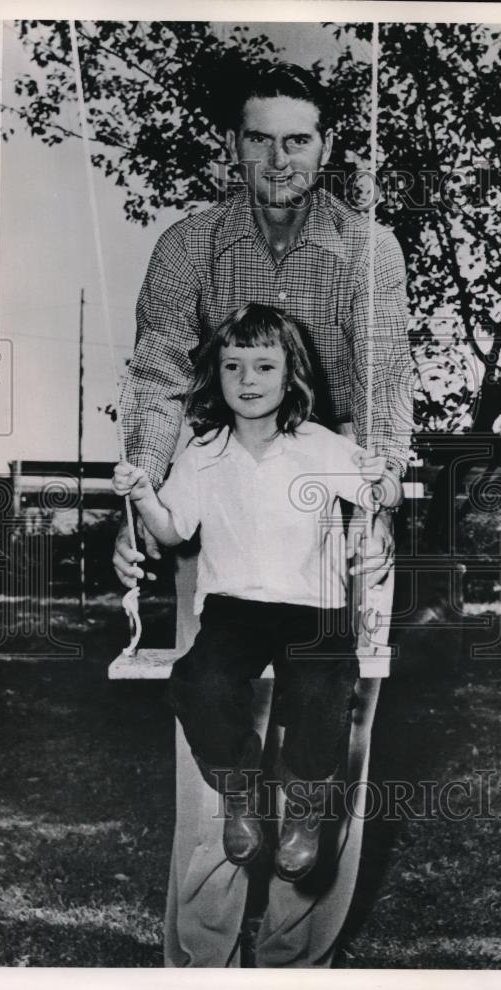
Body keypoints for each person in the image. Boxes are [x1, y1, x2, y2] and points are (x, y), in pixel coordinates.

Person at [112, 60, 414, 968]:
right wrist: (140, 509)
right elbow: (159, 378)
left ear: (326, 148)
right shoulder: (188, 245)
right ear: (233, 145)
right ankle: (203, 963)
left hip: (340, 497)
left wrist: (382, 509)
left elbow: (386, 387)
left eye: (297, 138)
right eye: (259, 138)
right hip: (224, 497)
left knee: (331, 734)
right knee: (211, 730)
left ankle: (294, 961)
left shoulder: (371, 249)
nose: (278, 158)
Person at [113, 303, 400, 881]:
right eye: (233, 366)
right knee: (200, 680)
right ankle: (238, 794)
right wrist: (143, 494)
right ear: (215, 375)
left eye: (264, 367)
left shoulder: (319, 445)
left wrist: (382, 479)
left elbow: (381, 500)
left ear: (290, 372)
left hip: (312, 608)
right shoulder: (203, 454)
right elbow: (173, 531)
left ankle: (303, 811)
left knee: (325, 687)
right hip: (233, 609)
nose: (247, 380)